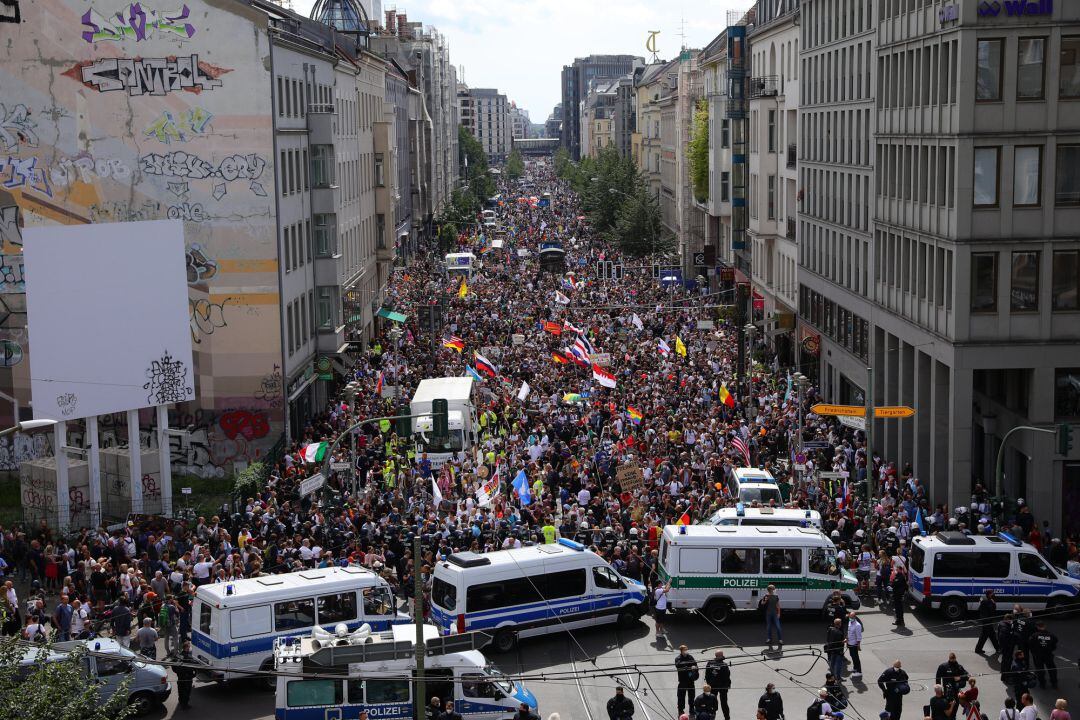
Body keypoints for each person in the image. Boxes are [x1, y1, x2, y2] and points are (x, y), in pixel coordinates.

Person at [1030, 620, 1058, 689]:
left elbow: (1030, 644)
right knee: (1052, 669)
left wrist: (1034, 652)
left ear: (1037, 627)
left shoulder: (1034, 635)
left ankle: (1042, 684)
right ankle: (1054, 683)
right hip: (1048, 655)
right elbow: (1055, 642)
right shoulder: (1051, 635)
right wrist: (1051, 649)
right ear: (1044, 626)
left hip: (1038, 655)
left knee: (1040, 670)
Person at [704, 650, 731, 720]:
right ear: (720, 656)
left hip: (712, 686)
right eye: (722, 655)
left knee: (712, 703)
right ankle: (727, 718)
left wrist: (709, 684)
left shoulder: (709, 663)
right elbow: (727, 676)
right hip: (722, 687)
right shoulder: (724, 665)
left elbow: (707, 675)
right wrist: (728, 685)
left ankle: (712, 717)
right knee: (724, 703)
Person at [675, 645, 699, 717]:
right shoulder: (678, 658)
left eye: (686, 649)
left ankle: (692, 709)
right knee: (681, 697)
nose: (686, 651)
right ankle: (680, 710)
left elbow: (695, 665)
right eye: (685, 650)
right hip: (683, 681)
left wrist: (695, 668)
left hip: (691, 680)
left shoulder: (690, 657)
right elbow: (679, 665)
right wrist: (689, 667)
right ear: (681, 650)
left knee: (691, 696)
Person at [173, 640, 196, 710]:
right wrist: (193, 675)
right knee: (186, 692)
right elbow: (194, 667)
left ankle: (181, 702)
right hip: (187, 678)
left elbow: (173, 667)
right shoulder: (189, 658)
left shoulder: (178, 656)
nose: (189, 648)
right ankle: (185, 705)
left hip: (180, 678)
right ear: (187, 648)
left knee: (180, 690)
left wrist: (177, 672)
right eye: (189, 647)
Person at [975, 590, 999, 654]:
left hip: (986, 620)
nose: (993, 595)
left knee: (990, 635)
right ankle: (978, 649)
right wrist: (994, 603)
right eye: (992, 594)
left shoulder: (985, 600)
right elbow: (992, 610)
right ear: (989, 594)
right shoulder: (987, 601)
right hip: (987, 621)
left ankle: (997, 648)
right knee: (986, 636)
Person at [846, 612, 864, 679]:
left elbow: (859, 636)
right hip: (850, 643)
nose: (850, 618)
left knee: (855, 657)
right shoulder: (850, 622)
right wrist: (847, 641)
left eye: (852, 617)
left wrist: (858, 645)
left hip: (854, 644)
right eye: (850, 617)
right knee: (852, 656)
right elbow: (848, 631)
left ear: (855, 617)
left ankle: (859, 671)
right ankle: (855, 668)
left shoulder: (857, 625)